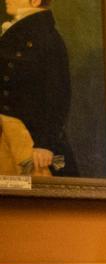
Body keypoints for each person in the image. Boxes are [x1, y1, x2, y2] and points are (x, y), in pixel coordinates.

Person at [0, 0, 74, 176]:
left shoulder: (47, 38)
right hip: (6, 134)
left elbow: (58, 95)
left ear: (35, 1)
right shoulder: (15, 33)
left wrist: (45, 144)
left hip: (29, 140)